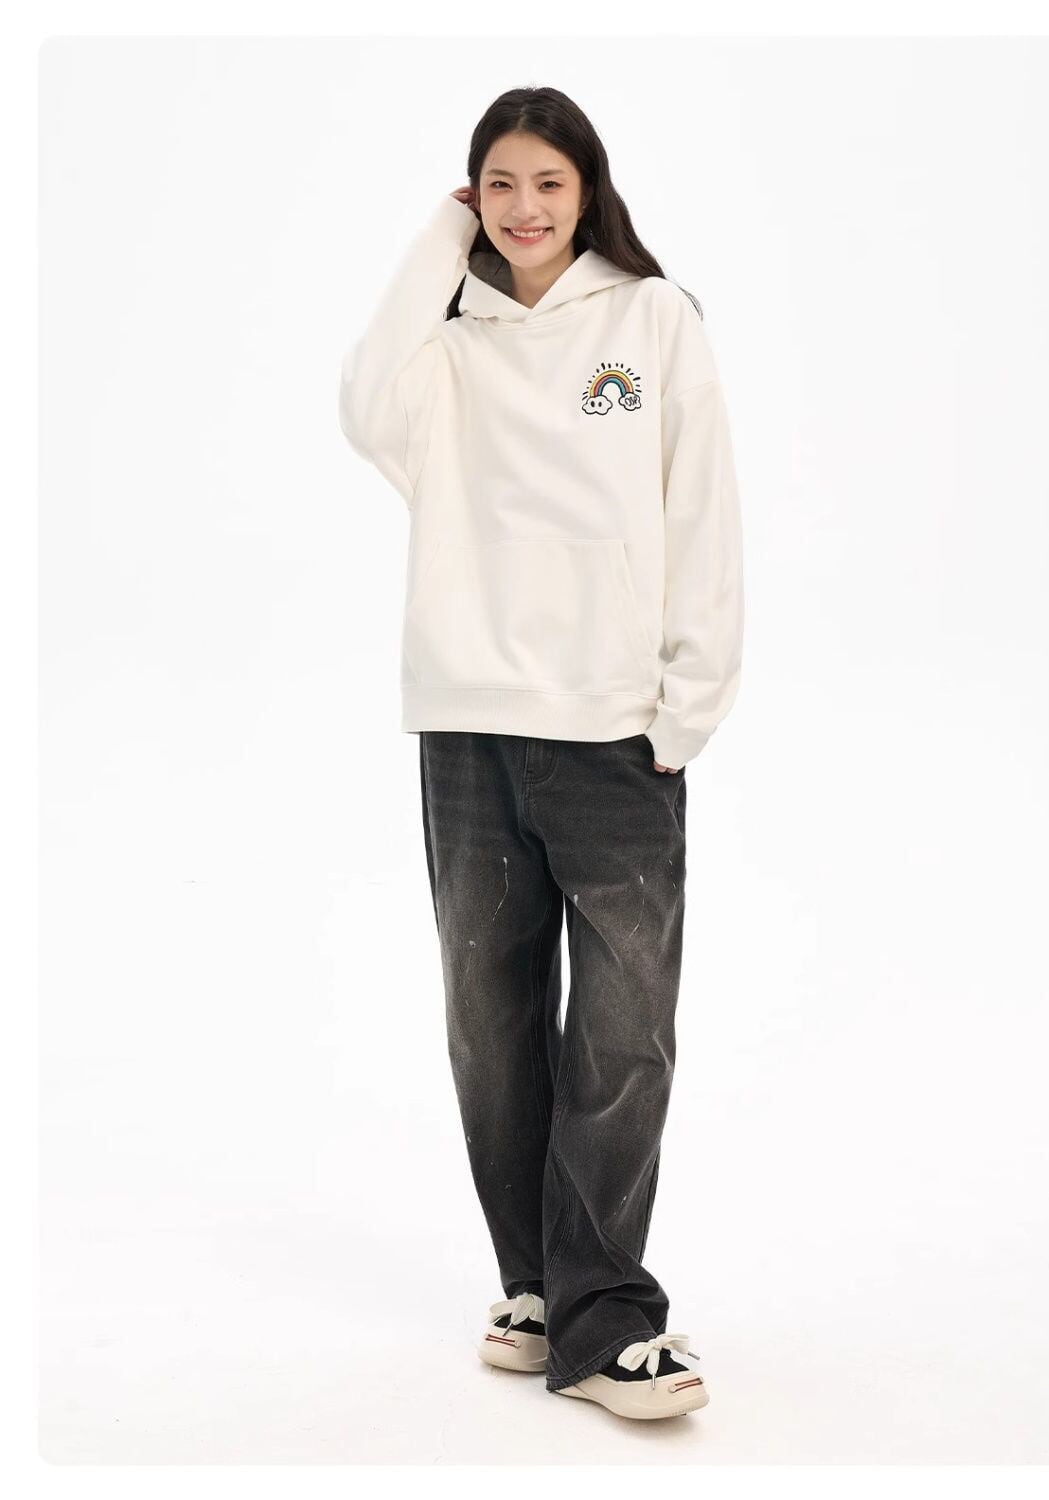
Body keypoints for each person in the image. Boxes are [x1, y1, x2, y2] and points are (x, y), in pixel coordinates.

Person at [338, 85, 743, 1421]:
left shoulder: (652, 320)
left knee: (622, 1035)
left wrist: (688, 703)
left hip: (615, 730)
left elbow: (701, 505)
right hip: (468, 724)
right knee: (492, 1024)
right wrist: (434, 240)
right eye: (498, 185)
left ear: (588, 190)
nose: (524, 209)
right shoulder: (447, 347)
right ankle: (538, 1288)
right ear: (474, 198)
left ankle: (607, 1315)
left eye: (547, 184)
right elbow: (362, 405)